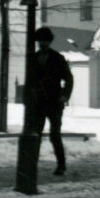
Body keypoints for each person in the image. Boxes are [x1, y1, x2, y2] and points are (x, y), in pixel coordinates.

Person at [30, 26, 74, 175]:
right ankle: (32, 165)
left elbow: (68, 78)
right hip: (39, 103)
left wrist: (64, 96)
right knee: (36, 134)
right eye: (40, 41)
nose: (42, 43)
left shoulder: (57, 58)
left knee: (55, 135)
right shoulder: (34, 58)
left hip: (54, 103)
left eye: (45, 41)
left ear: (49, 42)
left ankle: (61, 165)